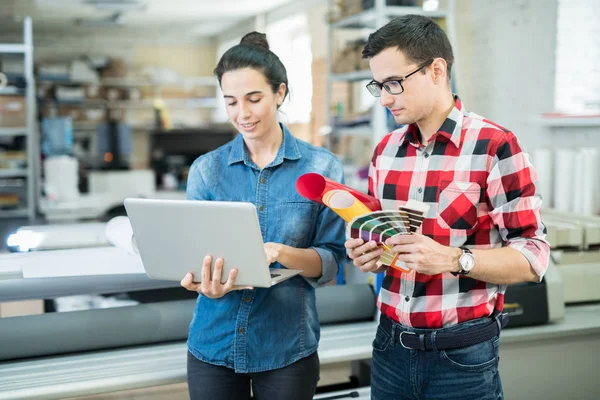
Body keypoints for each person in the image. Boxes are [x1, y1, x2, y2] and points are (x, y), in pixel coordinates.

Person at [345, 15, 550, 400]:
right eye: (378, 85)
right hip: (390, 348)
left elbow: (534, 257)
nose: (385, 98)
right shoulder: (384, 153)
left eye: (394, 83)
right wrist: (365, 253)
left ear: (436, 70)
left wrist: (456, 259)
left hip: (462, 358)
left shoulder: (495, 146)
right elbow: (377, 236)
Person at [179, 31, 346, 400]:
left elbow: (333, 261)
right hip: (213, 344)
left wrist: (280, 253)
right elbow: (192, 257)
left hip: (287, 347)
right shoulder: (207, 170)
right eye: (231, 102)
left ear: (280, 93)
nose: (243, 114)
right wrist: (198, 281)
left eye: (254, 99)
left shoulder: (321, 167)